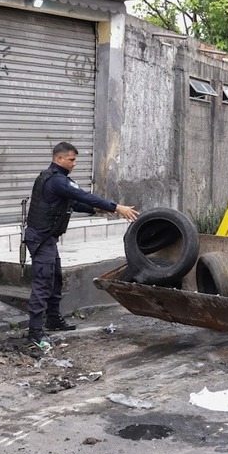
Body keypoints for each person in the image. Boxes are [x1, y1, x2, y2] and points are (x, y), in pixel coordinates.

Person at [23, 141, 139, 350]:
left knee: (55, 279)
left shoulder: (56, 180)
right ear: (59, 159)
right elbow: (82, 195)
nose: (75, 164)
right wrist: (117, 207)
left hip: (46, 238)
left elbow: (74, 203)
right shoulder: (57, 181)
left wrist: (98, 210)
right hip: (41, 239)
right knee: (42, 284)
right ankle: (34, 333)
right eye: (72, 159)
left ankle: (53, 320)